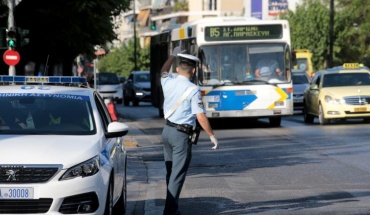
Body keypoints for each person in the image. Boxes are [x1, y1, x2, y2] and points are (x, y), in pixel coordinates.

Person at [159, 45, 219, 215]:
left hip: (167, 132)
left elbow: (163, 70)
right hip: (180, 136)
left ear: (178, 69)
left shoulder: (167, 81)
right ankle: (170, 212)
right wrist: (212, 136)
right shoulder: (193, 90)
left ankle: (173, 208)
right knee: (177, 176)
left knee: (171, 173)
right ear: (193, 71)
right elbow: (200, 116)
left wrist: (172, 55)